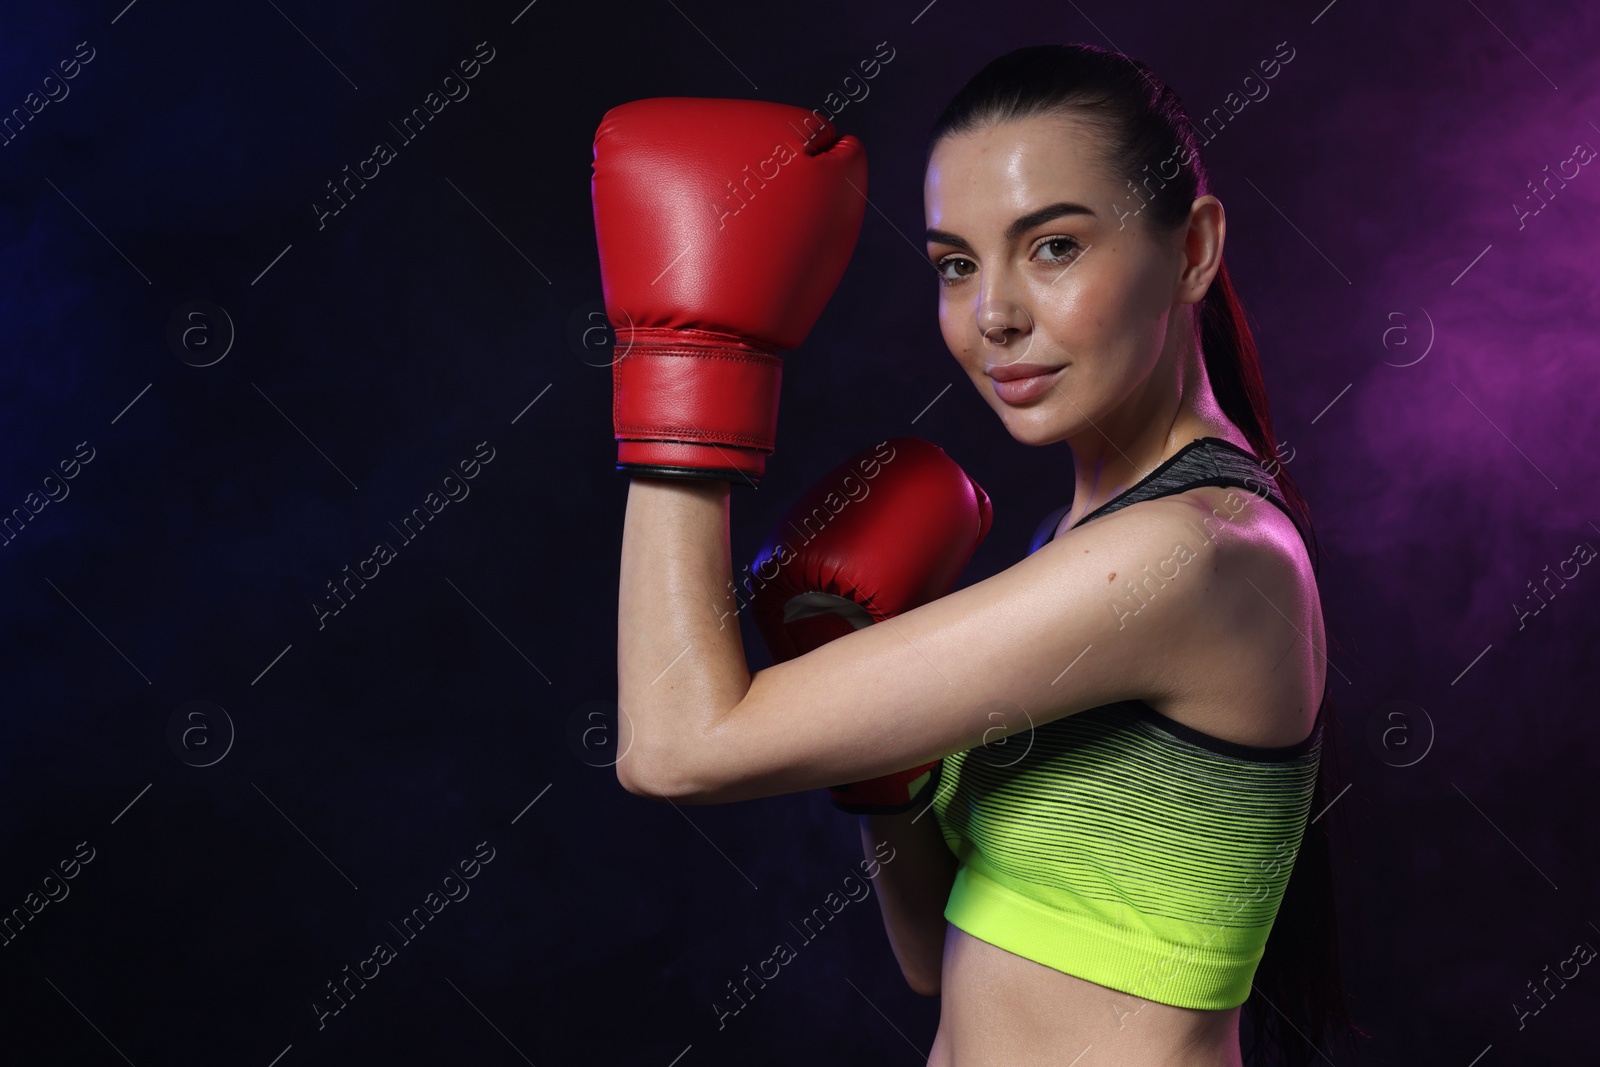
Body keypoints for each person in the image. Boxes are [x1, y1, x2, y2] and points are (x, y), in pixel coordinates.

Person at [599, 45, 1358, 1067]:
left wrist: (690, 361)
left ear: (1192, 250)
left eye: (1052, 247)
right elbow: (937, 956)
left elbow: (673, 747)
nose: (993, 312)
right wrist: (888, 779)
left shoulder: (1197, 553)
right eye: (957, 263)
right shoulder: (1077, 543)